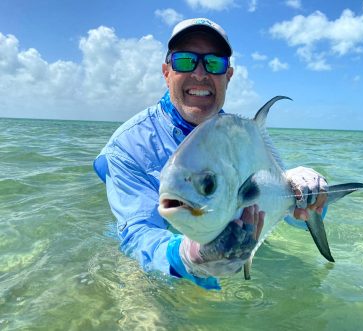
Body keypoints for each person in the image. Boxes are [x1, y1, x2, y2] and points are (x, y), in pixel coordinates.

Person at [93, 18, 328, 290]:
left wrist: (307, 197)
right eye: (185, 61)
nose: (201, 74)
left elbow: (285, 212)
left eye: (214, 63)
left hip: (240, 265)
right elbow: (136, 235)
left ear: (228, 76)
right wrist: (187, 256)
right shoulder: (128, 146)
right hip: (156, 274)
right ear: (166, 72)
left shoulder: (240, 136)